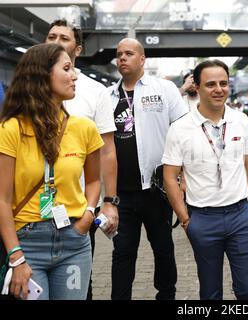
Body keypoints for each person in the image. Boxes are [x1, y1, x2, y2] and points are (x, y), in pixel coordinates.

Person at [0, 43, 104, 299]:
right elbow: (2, 199)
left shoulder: (84, 128)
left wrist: (88, 216)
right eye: (67, 68)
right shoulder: (11, 129)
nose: (75, 75)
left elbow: (93, 181)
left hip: (74, 240)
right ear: (42, 74)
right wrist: (16, 257)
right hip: (27, 242)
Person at [163, 59, 248, 300]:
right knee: (210, 292)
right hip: (202, 218)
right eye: (210, 84)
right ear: (196, 87)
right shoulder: (180, 128)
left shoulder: (240, 120)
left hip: (241, 216)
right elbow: (169, 176)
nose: (219, 89)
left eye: (223, 83)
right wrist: (186, 220)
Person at [109, 38, 188, 300]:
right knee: (122, 252)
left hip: (158, 190)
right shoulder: (107, 96)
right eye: (119, 54)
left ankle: (166, 295)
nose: (122, 58)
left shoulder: (164, 89)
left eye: (129, 53)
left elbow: (184, 134)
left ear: (142, 59)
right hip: (122, 193)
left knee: (163, 249)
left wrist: (183, 177)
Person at [45, 18, 118, 300]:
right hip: (29, 214)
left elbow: (107, 150)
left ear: (78, 49)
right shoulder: (25, 89)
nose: (56, 42)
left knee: (77, 289)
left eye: (64, 38)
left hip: (77, 210)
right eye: (51, 36)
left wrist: (108, 203)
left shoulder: (93, 91)